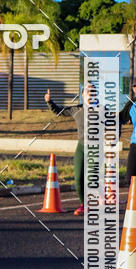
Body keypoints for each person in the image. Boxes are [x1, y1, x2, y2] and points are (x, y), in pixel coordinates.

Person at [44, 86, 90, 215]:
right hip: (81, 146)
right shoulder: (76, 109)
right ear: (83, 95)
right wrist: (49, 102)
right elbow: (59, 111)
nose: (90, 94)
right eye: (87, 92)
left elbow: (114, 122)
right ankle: (84, 204)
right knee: (78, 177)